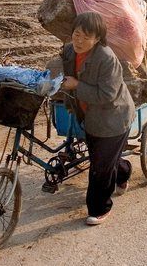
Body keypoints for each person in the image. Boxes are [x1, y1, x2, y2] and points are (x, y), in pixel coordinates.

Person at [60, 12, 135, 226]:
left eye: (86, 37)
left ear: (97, 38)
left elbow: (106, 95)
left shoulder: (106, 58)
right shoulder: (68, 51)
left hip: (113, 118)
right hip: (90, 117)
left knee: (100, 166)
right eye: (76, 34)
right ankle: (124, 171)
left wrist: (76, 86)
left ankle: (100, 208)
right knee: (104, 160)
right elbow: (64, 76)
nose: (79, 40)